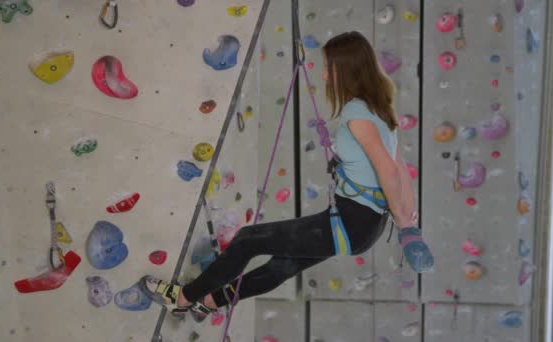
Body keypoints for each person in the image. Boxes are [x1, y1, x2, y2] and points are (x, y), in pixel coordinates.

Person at [139, 31, 433, 321]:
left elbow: (388, 171)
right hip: (363, 226)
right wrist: (410, 225)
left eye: (329, 68)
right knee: (282, 266)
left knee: (247, 240)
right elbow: (400, 169)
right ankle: (210, 301)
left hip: (350, 222)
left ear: (345, 70)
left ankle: (181, 298)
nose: (325, 77)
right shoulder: (380, 110)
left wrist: (407, 227)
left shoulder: (357, 113)